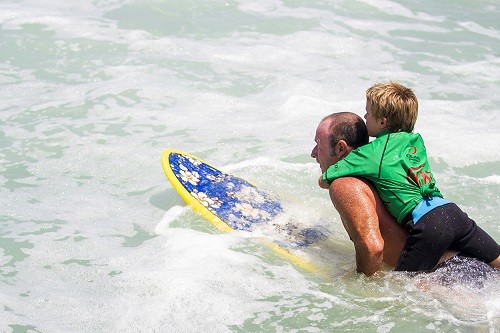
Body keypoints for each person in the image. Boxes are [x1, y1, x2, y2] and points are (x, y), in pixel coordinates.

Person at [319, 82, 500, 272]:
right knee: (496, 259)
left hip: (429, 225)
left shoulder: (372, 152)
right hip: (452, 213)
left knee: (407, 287)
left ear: (382, 122)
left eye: (368, 113)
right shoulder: (415, 140)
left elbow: (326, 178)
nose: (365, 117)